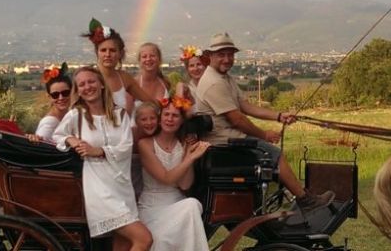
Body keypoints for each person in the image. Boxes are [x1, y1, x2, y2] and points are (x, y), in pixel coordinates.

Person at [194, 32, 335, 214]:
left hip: (230, 140)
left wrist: (278, 116)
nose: (227, 59)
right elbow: (237, 119)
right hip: (224, 144)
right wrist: (264, 134)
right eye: (221, 54)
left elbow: (245, 106)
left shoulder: (224, 78)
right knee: (274, 154)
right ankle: (304, 200)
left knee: (270, 154)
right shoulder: (214, 82)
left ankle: (289, 198)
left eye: (230, 54)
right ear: (210, 56)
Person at [52, 66, 152, 251]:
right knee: (144, 239)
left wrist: (98, 151)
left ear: (101, 85)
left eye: (91, 81)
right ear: (78, 91)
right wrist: (72, 139)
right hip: (99, 188)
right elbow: (57, 135)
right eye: (81, 84)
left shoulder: (119, 114)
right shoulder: (77, 115)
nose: (87, 87)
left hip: (122, 186)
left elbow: (126, 147)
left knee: (123, 244)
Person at [136, 100, 210, 251]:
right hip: (152, 205)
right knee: (162, 239)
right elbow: (166, 178)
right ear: (160, 117)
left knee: (192, 204)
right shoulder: (145, 144)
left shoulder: (184, 144)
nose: (170, 119)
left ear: (181, 120)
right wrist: (192, 157)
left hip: (176, 202)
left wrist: (187, 154)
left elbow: (185, 185)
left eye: (175, 116)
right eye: (166, 114)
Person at [82, 18, 154, 115]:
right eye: (103, 50)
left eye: (112, 50)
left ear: (120, 53)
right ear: (97, 52)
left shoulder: (124, 78)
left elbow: (149, 101)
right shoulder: (86, 78)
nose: (107, 54)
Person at [27, 62, 72, 142]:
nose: (61, 98)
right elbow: (40, 144)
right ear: (49, 97)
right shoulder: (49, 123)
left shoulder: (69, 115)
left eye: (65, 93)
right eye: (55, 95)